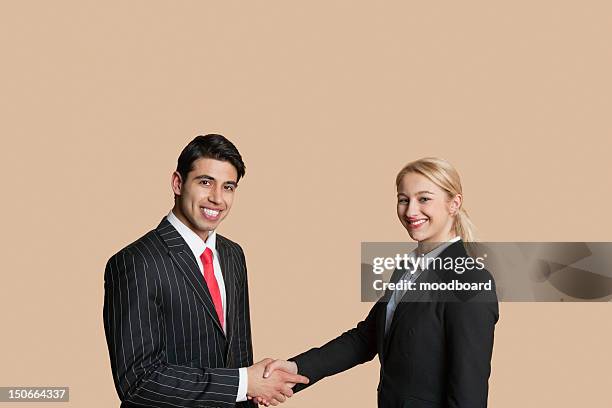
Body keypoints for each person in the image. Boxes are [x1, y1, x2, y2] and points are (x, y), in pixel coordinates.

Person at [259, 157, 499, 407]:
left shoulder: (470, 281)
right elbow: (365, 339)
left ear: (454, 204)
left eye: (424, 199)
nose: (410, 211)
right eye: (403, 199)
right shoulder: (408, 268)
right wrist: (293, 370)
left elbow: (468, 395)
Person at [103, 134, 308, 408]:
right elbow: (138, 382)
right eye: (205, 182)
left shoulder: (233, 254)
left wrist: (250, 387)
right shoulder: (136, 261)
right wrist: (244, 383)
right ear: (178, 183)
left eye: (228, 187)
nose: (217, 198)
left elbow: (240, 357)